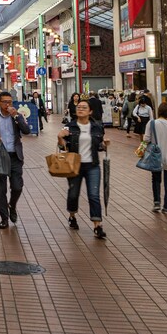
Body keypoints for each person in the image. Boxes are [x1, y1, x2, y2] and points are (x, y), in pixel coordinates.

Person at [57, 100, 109, 239]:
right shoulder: (70, 127)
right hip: (74, 165)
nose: (80, 109)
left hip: (92, 165)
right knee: (73, 194)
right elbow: (63, 147)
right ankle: (72, 215)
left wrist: (104, 145)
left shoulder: (97, 127)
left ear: (90, 111)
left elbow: (99, 146)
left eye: (84, 107)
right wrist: (60, 138)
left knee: (94, 195)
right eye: (79, 107)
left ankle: (97, 226)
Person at [0, 91, 31, 229]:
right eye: (4, 102)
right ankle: (4, 218)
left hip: (15, 156)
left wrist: (16, 116)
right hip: (0, 157)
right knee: (1, 190)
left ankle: (12, 205)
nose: (7, 104)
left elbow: (27, 130)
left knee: (17, 187)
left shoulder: (16, 116)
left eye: (10, 102)